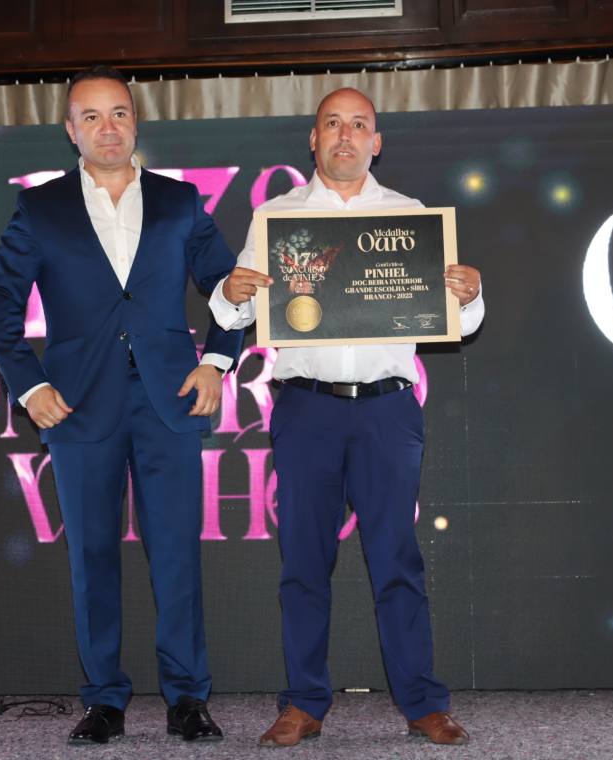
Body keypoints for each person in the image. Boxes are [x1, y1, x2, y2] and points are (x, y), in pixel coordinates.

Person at [210, 87, 484, 747]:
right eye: (332, 123)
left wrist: (471, 293)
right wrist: (230, 291)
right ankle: (304, 703)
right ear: (313, 138)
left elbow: (462, 319)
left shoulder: (412, 217)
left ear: (376, 141)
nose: (345, 135)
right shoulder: (275, 217)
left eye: (358, 124)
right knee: (303, 564)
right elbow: (234, 313)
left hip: (389, 409)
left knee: (397, 561)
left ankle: (422, 703)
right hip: (306, 409)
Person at [0, 66, 242, 745]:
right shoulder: (41, 209)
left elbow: (230, 287)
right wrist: (29, 385)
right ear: (71, 131)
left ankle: (188, 698)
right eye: (91, 116)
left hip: (169, 400)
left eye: (118, 113)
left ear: (135, 120)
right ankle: (103, 700)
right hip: (77, 405)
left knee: (176, 555)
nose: (107, 128)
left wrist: (218, 360)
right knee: (92, 556)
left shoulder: (180, 202)